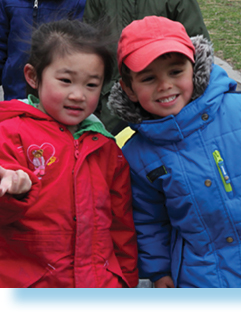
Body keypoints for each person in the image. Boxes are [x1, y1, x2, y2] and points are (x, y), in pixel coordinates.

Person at [108, 16, 241, 288]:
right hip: (203, 278)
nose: (165, 85)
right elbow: (148, 218)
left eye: (176, 71)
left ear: (195, 68)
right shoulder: (137, 154)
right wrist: (159, 271)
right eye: (148, 78)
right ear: (129, 89)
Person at [0, 19, 138, 288]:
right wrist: (15, 192)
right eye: (65, 80)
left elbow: (121, 227)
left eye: (91, 85)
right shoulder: (10, 133)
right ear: (33, 76)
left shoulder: (106, 147)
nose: (78, 95)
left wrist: (127, 283)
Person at [83, 0, 211, 135]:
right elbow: (91, 51)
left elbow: (197, 48)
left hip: (187, 111)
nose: (165, 85)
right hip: (113, 110)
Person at [0, 0, 86, 101]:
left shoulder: (77, 3)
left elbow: (80, 51)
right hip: (15, 92)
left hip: (58, 95)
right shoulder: (7, 2)